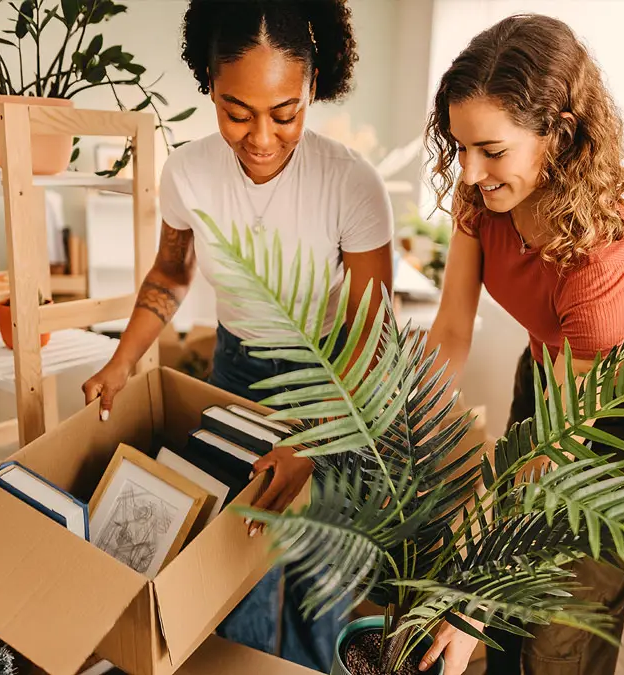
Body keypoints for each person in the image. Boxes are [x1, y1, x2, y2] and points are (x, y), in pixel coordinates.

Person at [81, 0, 393, 671]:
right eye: (235, 111)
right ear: (209, 85)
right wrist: (121, 361)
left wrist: (313, 439)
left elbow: (372, 335)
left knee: (319, 576)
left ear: (315, 85)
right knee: (234, 563)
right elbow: (170, 271)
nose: (259, 137)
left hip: (335, 386)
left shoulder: (351, 184)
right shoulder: (189, 173)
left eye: (286, 112)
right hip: (238, 372)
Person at [414, 14, 624, 675]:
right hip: (543, 381)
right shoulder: (482, 199)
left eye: (493, 150)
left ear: (558, 136)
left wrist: (472, 595)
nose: (471, 173)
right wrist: (405, 426)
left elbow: (550, 456)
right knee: (504, 619)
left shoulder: (611, 263)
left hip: (622, 425)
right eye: (461, 146)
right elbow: (451, 328)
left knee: (558, 631)